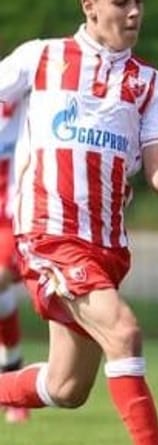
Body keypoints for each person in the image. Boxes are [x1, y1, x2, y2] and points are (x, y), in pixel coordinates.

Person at [0, 0, 158, 444]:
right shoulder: (41, 58)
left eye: (139, 2)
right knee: (124, 331)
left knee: (66, 387)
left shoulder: (151, 84)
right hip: (48, 234)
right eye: (121, 2)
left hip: (106, 248)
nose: (135, 12)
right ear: (89, 7)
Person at [0, 98, 28, 424]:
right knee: (3, 302)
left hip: (13, 220)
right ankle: (12, 376)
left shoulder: (24, 107)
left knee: (2, 278)